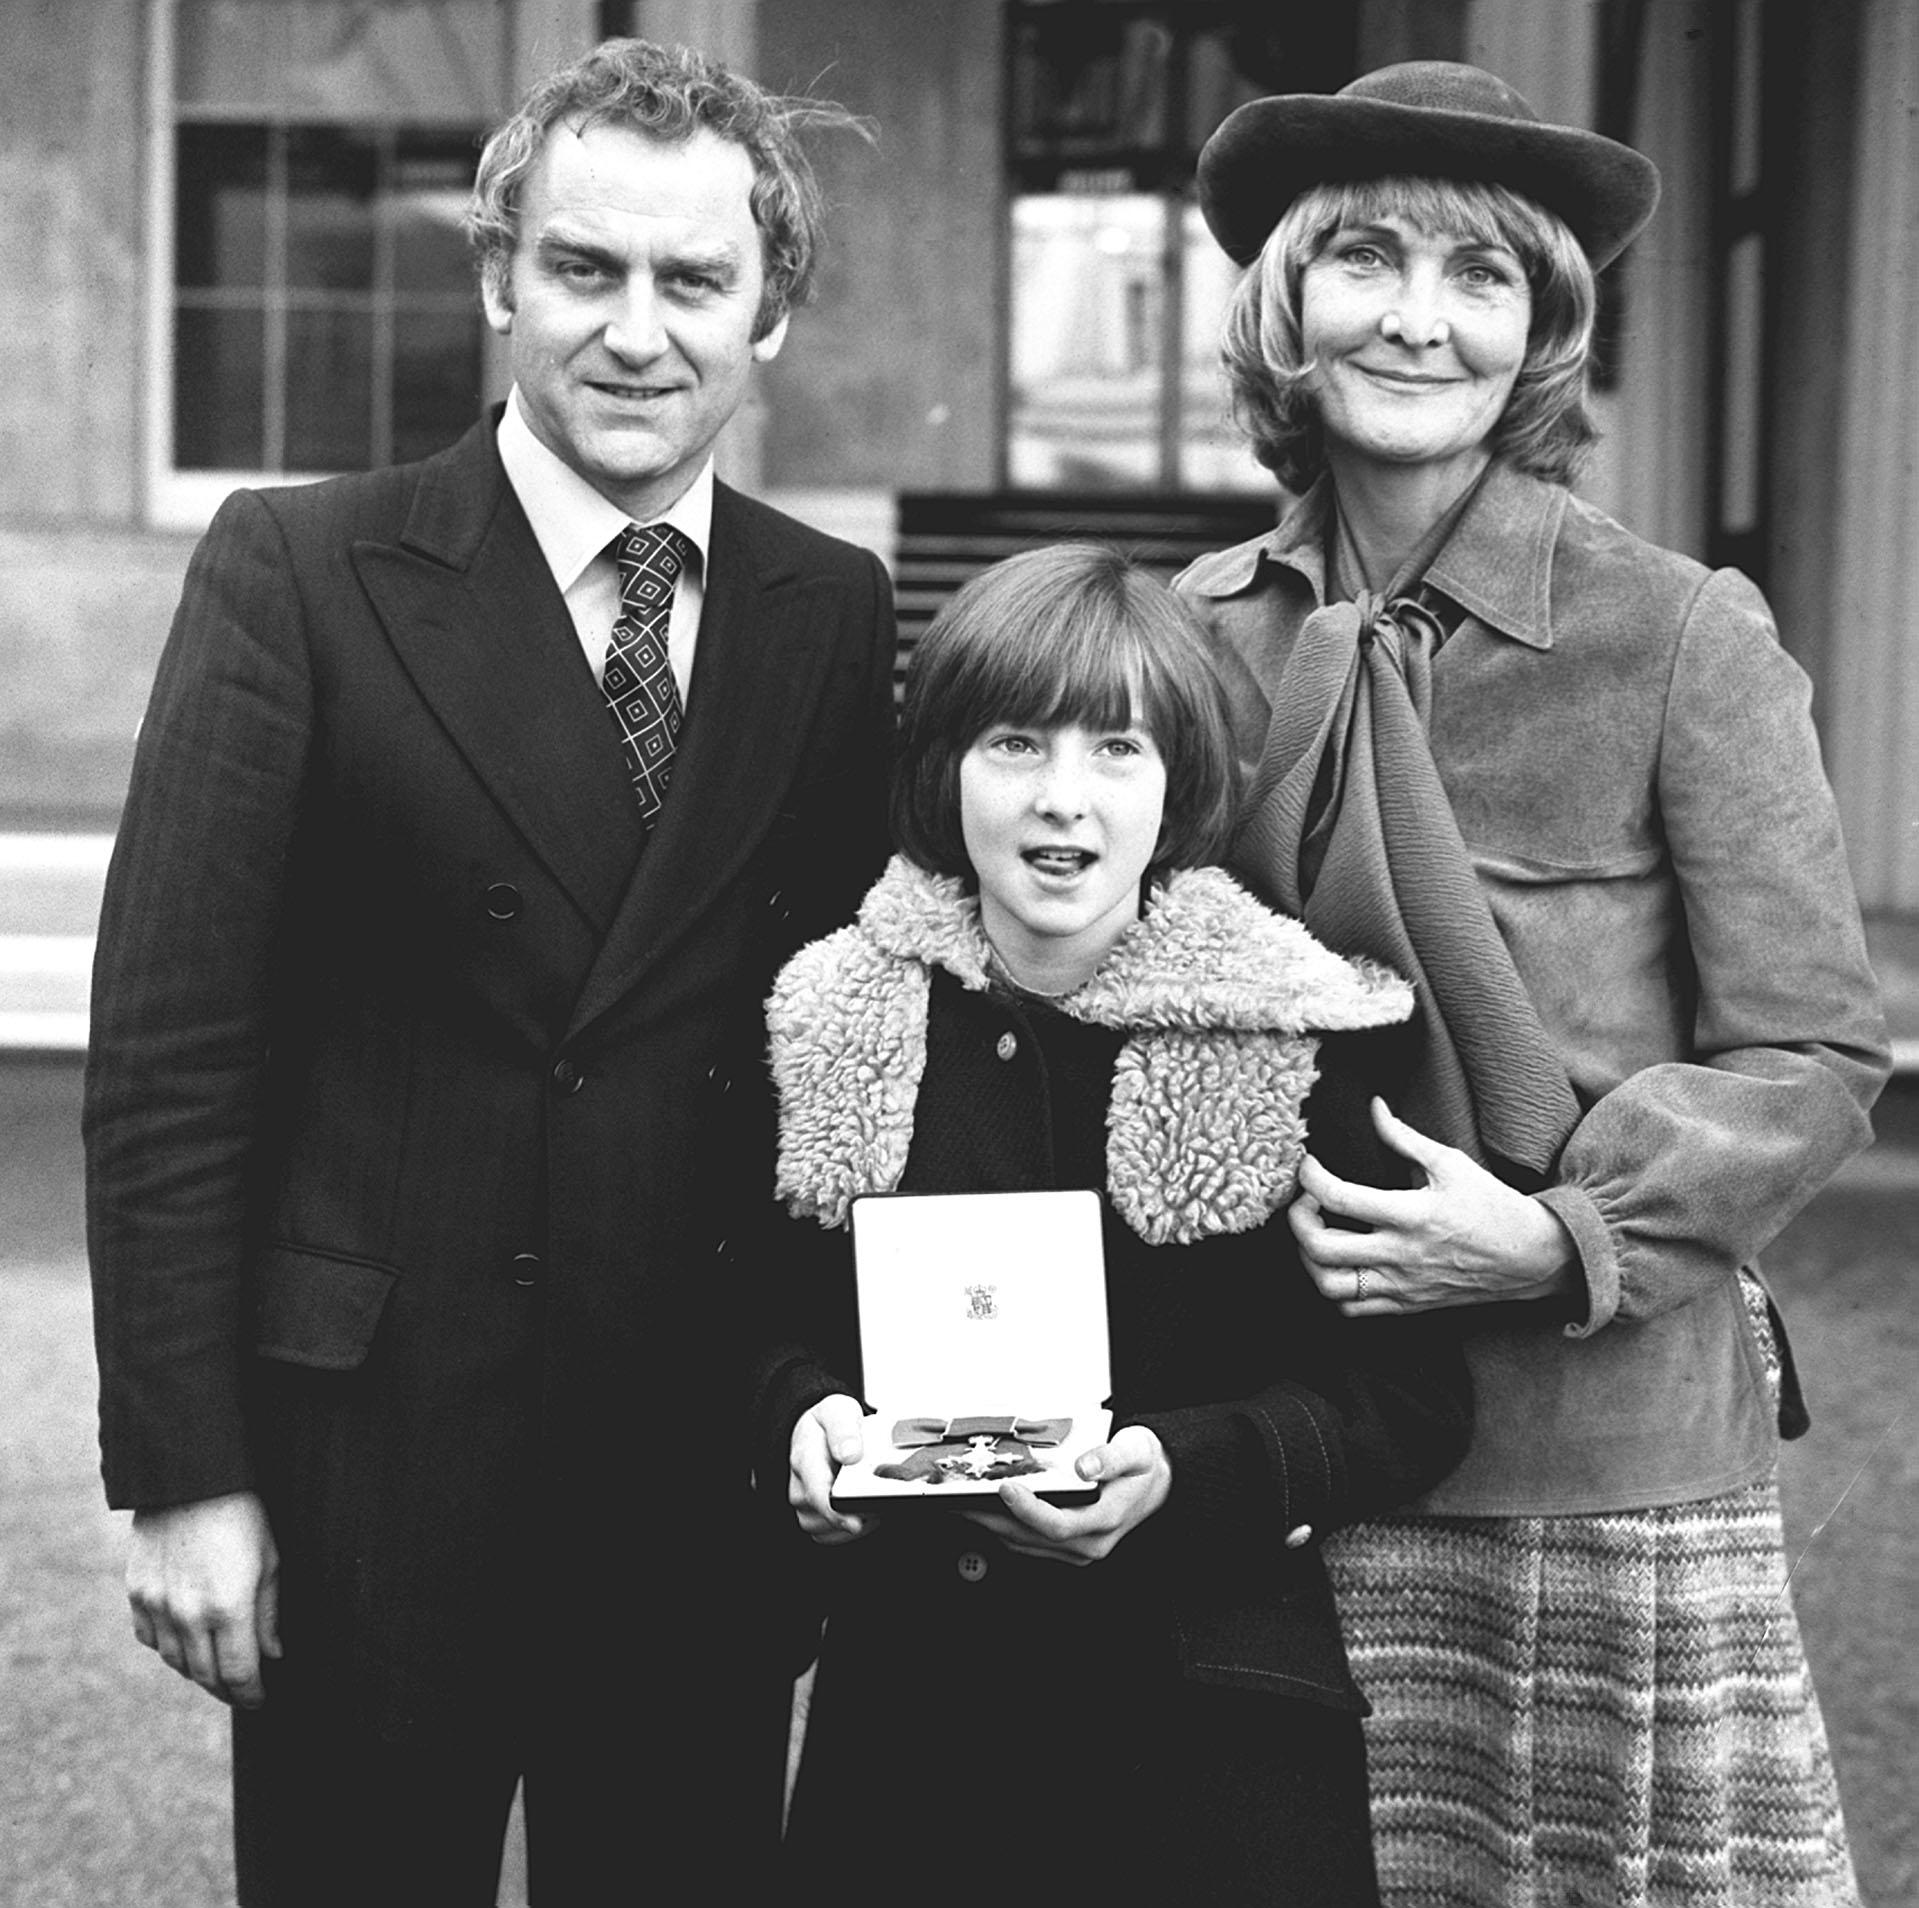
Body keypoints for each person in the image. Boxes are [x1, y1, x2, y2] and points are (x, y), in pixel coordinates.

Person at [83, 37, 896, 1906]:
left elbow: (845, 1053)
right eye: (584, 271)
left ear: (770, 315)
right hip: (372, 1474)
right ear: (496, 282)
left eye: (695, 283)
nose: (636, 331)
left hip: (695, 1482)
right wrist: (184, 1475)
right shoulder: (300, 566)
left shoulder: (824, 611)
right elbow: (170, 1061)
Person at [1176, 59, 1891, 1908]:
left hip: (1589, 1458)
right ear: (1285, 310)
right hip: (1280, 1441)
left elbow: (1811, 1048)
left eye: (1483, 276)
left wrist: (1564, 1233)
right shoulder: (1186, 644)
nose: (1420, 316)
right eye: (1369, 261)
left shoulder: (1677, 630)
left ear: (1541, 333)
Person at [751, 544, 1472, 1906]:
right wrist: (800, 1418)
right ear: (944, 770)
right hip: (917, 1744)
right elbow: (757, 1316)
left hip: (1211, 1742)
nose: (1062, 800)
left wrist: (1190, 1471)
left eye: (1118, 750)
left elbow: (1414, 1400)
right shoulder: (836, 1016)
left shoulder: (1299, 1034)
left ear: (1181, 785)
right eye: (1016, 742)